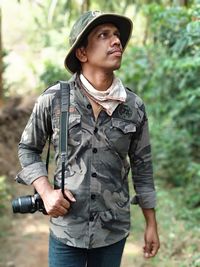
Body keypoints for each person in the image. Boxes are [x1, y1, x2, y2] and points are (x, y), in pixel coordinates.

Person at [16, 10, 160, 267]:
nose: (116, 41)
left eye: (117, 36)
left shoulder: (134, 107)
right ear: (82, 53)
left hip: (112, 232)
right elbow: (28, 149)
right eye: (103, 35)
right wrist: (47, 192)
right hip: (66, 231)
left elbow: (143, 168)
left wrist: (151, 223)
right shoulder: (54, 100)